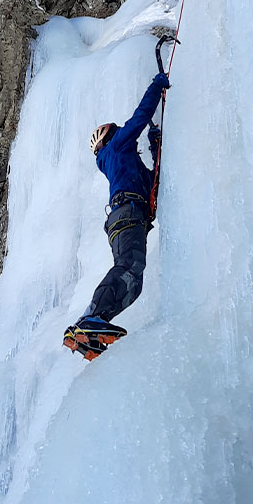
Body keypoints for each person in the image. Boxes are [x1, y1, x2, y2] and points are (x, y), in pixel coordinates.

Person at [64, 70, 170, 354]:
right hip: (128, 213)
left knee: (133, 283)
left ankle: (93, 327)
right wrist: (156, 86)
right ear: (109, 137)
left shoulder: (122, 162)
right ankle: (90, 318)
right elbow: (139, 117)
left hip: (126, 217)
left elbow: (153, 182)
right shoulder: (117, 147)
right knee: (128, 269)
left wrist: (155, 143)